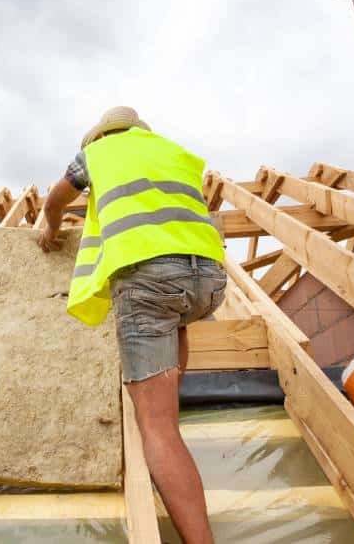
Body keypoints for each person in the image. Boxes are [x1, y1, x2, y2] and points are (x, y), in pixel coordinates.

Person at [38, 106, 225, 544]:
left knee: (158, 429)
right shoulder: (172, 152)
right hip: (208, 281)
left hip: (150, 281)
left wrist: (48, 225)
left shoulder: (99, 153)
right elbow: (162, 218)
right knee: (175, 318)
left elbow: (55, 198)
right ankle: (167, 392)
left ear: (99, 136)